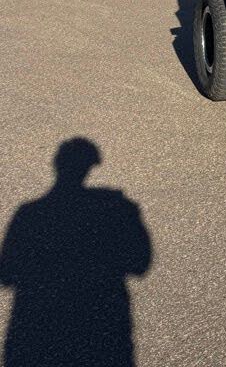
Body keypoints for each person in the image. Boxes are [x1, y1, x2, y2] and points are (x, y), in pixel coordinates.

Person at [0, 138, 152, 367]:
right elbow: (140, 264)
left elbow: (8, 275)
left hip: (37, 324)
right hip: (106, 316)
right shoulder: (119, 206)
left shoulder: (29, 213)